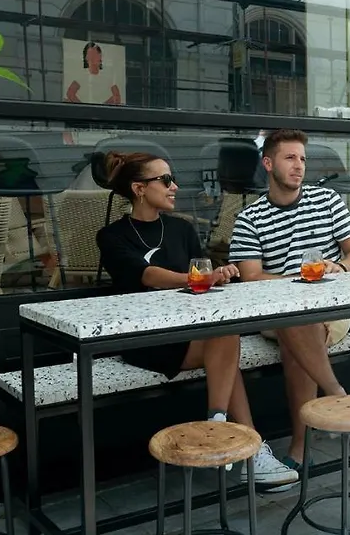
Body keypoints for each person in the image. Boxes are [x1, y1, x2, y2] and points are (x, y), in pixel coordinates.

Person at [95, 151, 298, 490]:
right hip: (147, 337)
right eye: (165, 180)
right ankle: (249, 448)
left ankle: (220, 424)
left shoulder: (181, 228)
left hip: (191, 329)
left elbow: (201, 273)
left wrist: (220, 274)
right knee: (224, 345)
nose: (174, 186)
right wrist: (197, 278)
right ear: (139, 188)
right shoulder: (112, 236)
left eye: (172, 179)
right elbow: (148, 275)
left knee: (225, 333)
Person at [228, 129, 350, 481]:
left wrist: (341, 267)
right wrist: (297, 283)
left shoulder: (327, 201)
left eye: (303, 159)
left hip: (331, 307)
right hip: (275, 311)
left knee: (297, 338)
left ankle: (300, 448)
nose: (299, 166)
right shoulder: (250, 218)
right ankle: (335, 393)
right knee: (294, 316)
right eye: (290, 158)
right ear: (268, 163)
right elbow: (250, 277)